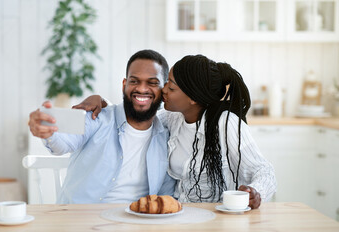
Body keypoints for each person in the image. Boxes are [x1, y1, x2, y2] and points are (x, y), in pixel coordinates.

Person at [75, 54, 277, 209]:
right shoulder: (173, 118)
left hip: (219, 222)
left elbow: (264, 171)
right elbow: (136, 118)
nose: (163, 91)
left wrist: (255, 192)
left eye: (171, 88)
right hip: (180, 218)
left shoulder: (226, 124)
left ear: (193, 98)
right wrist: (105, 105)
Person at [28, 49, 176, 204]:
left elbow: (166, 194)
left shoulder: (166, 136)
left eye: (152, 83)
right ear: (124, 85)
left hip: (136, 221)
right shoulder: (97, 117)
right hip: (82, 219)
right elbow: (63, 144)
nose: (142, 89)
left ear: (164, 89)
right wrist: (48, 132)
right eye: (134, 81)